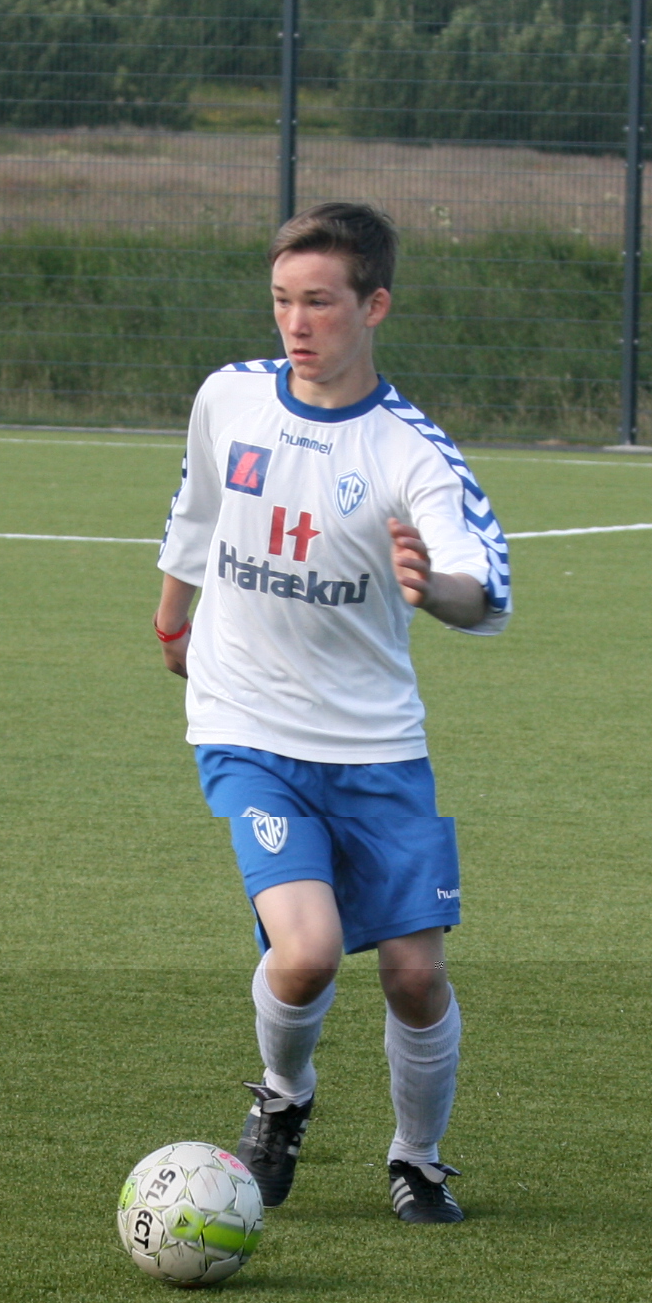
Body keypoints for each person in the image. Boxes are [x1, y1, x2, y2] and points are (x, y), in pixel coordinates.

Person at [154, 201, 512, 1224]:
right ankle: (282, 1099)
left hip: (374, 746)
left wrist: (433, 589)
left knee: (413, 974)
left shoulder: (411, 452)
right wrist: (174, 615)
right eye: (281, 300)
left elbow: (482, 587)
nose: (295, 323)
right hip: (248, 728)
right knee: (305, 951)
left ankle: (417, 1158)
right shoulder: (230, 397)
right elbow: (197, 509)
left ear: (374, 305)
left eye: (319, 302)